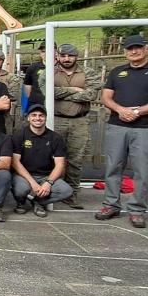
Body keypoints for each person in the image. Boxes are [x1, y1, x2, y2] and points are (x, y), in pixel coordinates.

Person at [95, 34, 148, 228]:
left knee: (142, 170)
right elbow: (106, 98)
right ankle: (111, 205)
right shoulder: (117, 72)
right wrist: (121, 110)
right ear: (125, 52)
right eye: (130, 48)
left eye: (138, 47)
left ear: (147, 49)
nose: (134, 51)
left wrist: (137, 111)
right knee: (113, 167)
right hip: (117, 125)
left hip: (144, 128)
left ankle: (137, 210)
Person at [50, 43, 101, 209]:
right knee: (52, 158)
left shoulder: (88, 73)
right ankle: (52, 190)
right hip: (56, 120)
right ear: (58, 56)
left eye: (70, 56)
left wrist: (63, 92)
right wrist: (74, 90)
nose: (66, 59)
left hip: (80, 121)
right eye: (63, 56)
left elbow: (91, 94)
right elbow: (49, 92)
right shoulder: (50, 71)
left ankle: (72, 194)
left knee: (75, 159)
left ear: (76, 57)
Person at [11, 105, 73, 217]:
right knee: (21, 190)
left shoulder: (55, 138)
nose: (38, 118)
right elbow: (15, 162)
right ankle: (21, 202)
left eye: (41, 115)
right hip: (24, 175)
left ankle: (38, 202)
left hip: (45, 176)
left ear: (45, 118)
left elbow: (60, 164)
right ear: (28, 118)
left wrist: (48, 183)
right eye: (34, 115)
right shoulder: (19, 135)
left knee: (66, 191)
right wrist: (33, 183)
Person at [23, 43, 47, 109]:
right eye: (43, 51)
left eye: (49, 50)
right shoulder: (32, 67)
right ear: (40, 53)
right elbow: (27, 86)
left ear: (56, 52)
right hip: (36, 105)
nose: (46, 53)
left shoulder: (61, 67)